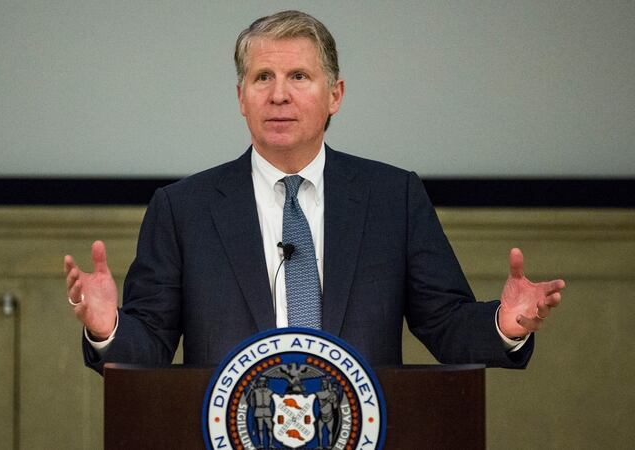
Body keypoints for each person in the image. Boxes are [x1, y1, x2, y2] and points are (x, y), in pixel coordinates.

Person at [64, 10, 564, 374]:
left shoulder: (393, 198)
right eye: (263, 77)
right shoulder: (182, 209)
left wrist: (504, 324)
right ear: (241, 98)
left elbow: (447, 325)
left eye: (298, 76)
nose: (279, 94)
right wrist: (109, 327)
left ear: (334, 96)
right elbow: (147, 347)